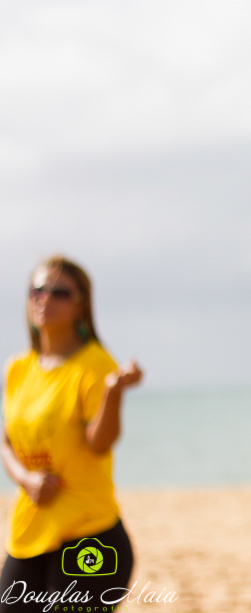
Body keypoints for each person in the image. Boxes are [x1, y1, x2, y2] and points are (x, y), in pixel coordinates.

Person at [1, 256, 143, 612]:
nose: (44, 298)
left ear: (82, 304)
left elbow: (100, 444)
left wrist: (113, 393)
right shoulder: (18, 368)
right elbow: (5, 440)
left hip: (89, 535)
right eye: (36, 290)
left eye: (59, 292)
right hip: (31, 531)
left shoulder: (95, 364)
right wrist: (26, 479)